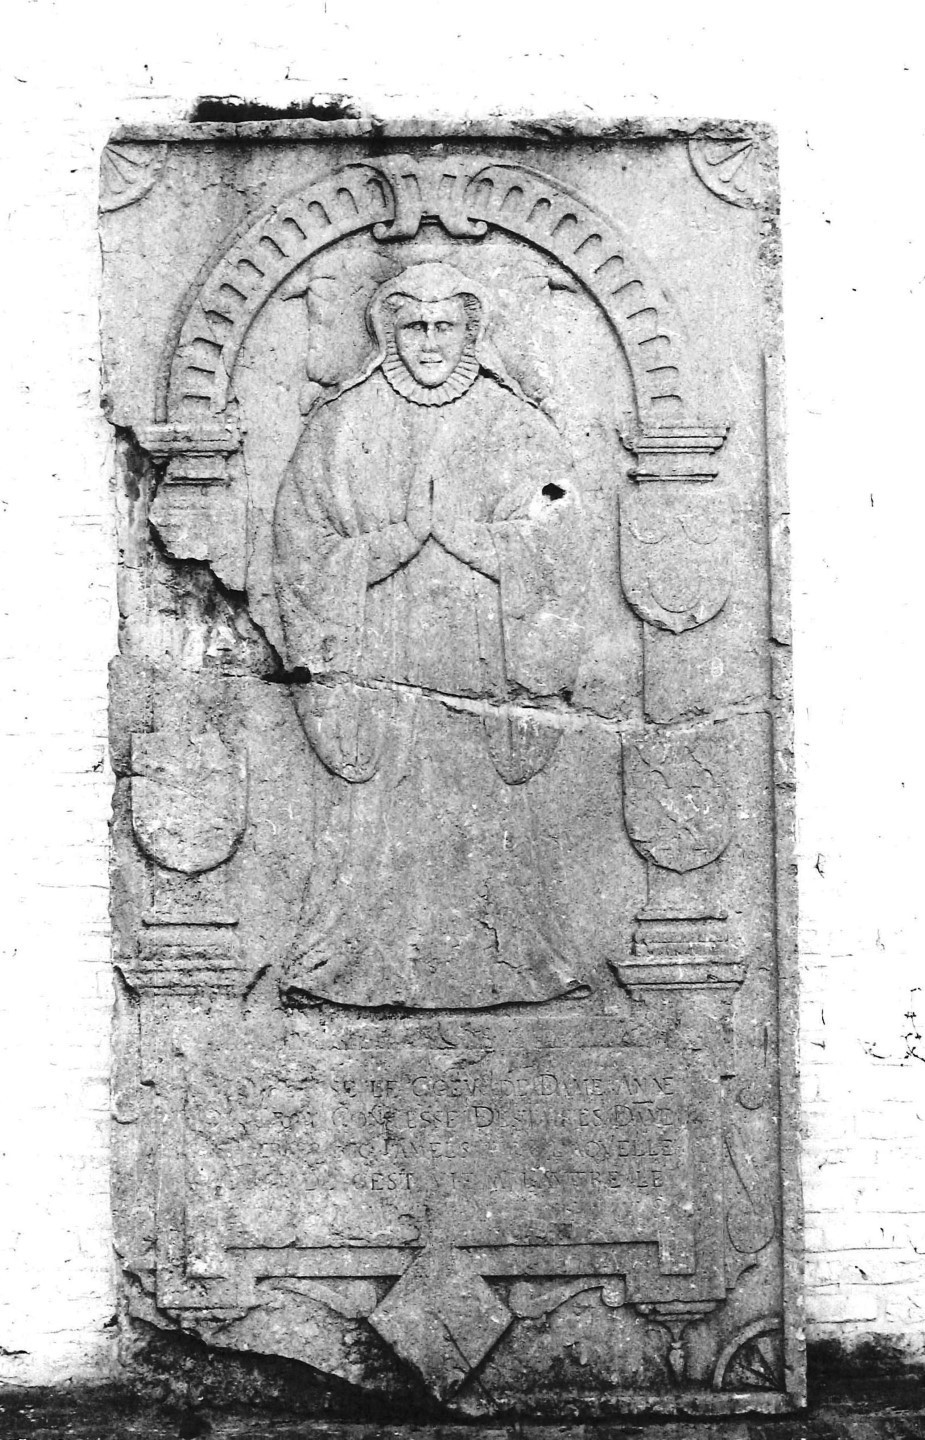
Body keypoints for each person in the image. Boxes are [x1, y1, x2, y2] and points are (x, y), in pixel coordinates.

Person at [273, 260, 586, 1009]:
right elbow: (300, 546)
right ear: (389, 332)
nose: (430, 341)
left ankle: (515, 964)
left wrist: (466, 538)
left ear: (471, 331)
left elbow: (557, 536)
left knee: (487, 812)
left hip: (481, 648)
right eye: (414, 325)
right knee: (376, 818)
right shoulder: (341, 425)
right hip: (377, 647)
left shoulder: (513, 423)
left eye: (445, 325)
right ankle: (353, 965)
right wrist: (393, 544)